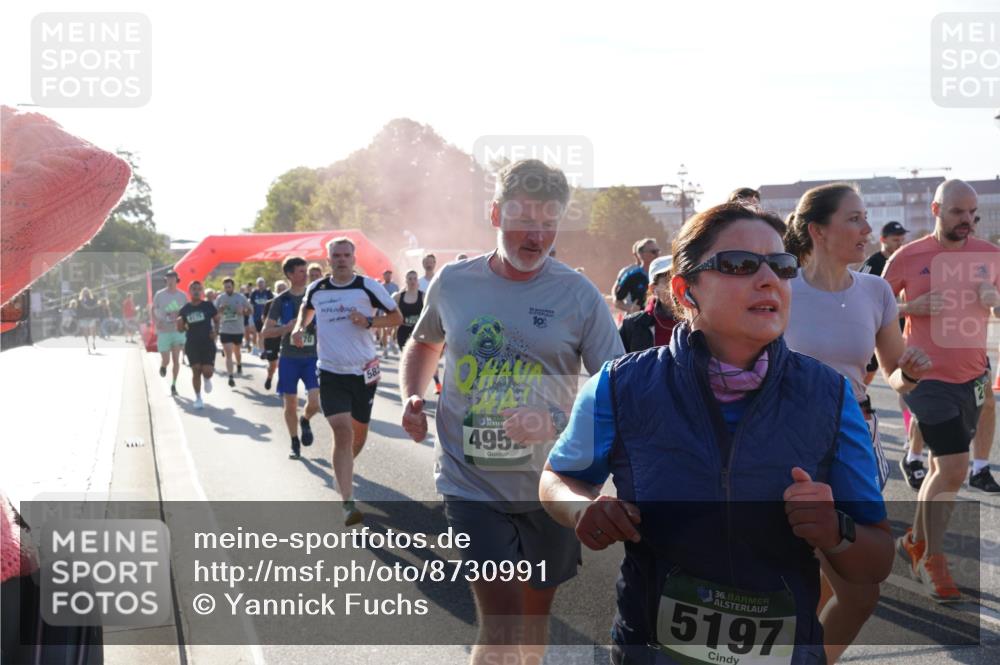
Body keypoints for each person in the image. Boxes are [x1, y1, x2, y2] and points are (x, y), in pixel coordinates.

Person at [541, 203, 893, 665]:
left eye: (782, 266)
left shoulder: (829, 395)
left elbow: (876, 559)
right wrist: (582, 509)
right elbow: (556, 477)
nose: (769, 279)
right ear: (687, 291)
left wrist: (837, 531)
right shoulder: (620, 385)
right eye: (740, 265)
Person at [400, 159, 624, 665]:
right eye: (525, 219)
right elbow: (423, 343)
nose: (538, 235)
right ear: (496, 213)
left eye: (550, 223)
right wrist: (412, 395)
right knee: (500, 625)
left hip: (552, 483)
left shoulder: (579, 295)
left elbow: (614, 386)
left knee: (533, 617)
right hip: (470, 482)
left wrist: (557, 425)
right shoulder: (455, 283)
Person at [782, 184, 931, 662]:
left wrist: (910, 370)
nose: (867, 229)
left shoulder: (876, 290)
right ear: (818, 231)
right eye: (854, 220)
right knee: (796, 574)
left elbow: (892, 376)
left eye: (866, 219)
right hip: (788, 447)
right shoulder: (781, 290)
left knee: (859, 588)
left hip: (852, 443)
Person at [888, 179, 1000, 603]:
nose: (967, 221)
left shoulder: (991, 256)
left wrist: (995, 300)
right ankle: (933, 559)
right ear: (936, 210)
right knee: (953, 467)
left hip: (971, 377)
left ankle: (916, 540)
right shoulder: (909, 256)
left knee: (940, 469)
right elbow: (875, 308)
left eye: (973, 213)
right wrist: (908, 308)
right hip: (925, 377)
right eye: (957, 212)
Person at [292, 238, 402, 524]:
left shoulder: (368, 286)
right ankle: (347, 502)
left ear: (354, 258)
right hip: (330, 371)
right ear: (328, 260)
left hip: (364, 371)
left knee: (358, 433)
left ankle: (344, 469)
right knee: (342, 432)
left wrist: (368, 322)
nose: (341, 259)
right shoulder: (317, 288)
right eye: (336, 256)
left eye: (346, 255)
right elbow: (305, 313)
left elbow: (397, 317)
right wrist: (298, 329)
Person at [263, 257, 321, 459]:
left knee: (315, 401)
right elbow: (265, 332)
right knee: (290, 404)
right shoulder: (281, 300)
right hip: (289, 358)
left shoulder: (315, 297)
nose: (305, 275)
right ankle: (294, 442)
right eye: (300, 272)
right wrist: (286, 328)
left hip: (311, 357)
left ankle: (305, 419)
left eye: (306, 271)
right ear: (289, 275)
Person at [618, 255, 678, 353]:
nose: (676, 286)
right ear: (653, 289)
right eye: (669, 281)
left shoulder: (701, 322)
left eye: (682, 279)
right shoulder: (633, 325)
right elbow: (616, 363)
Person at [176, 281, 219, 409]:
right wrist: (180, 325)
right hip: (192, 343)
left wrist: (215, 331)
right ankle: (198, 398)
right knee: (196, 370)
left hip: (207, 343)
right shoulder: (184, 309)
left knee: (207, 371)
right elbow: (181, 329)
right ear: (190, 291)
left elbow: (217, 319)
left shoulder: (208, 306)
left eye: (199, 289)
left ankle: (207, 379)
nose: (196, 291)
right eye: (194, 289)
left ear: (202, 291)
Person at [153, 271, 188, 395]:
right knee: (167, 360)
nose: (171, 280)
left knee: (176, 360)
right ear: (166, 280)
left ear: (177, 280)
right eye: (168, 278)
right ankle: (163, 366)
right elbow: (153, 310)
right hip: (164, 331)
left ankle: (173, 385)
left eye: (173, 278)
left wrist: (183, 320)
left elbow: (186, 312)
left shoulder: (182, 295)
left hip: (177, 331)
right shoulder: (159, 294)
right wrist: (157, 321)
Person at [215, 277, 252, 387]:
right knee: (228, 354)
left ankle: (239, 364)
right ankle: (230, 376)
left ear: (233, 287)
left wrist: (243, 311)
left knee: (237, 352)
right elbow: (214, 314)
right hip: (225, 330)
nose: (227, 289)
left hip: (238, 330)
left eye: (229, 287)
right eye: (225, 287)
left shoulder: (241, 297)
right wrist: (221, 309)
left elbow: (251, 310)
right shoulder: (220, 298)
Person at [613, 238, 660, 315]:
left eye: (658, 251)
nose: (657, 255)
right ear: (641, 254)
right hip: (639, 322)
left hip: (661, 322)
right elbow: (617, 301)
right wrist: (630, 308)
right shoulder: (632, 276)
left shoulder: (664, 274)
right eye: (653, 252)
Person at [260, 279, 287, 391]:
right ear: (276, 291)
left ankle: (282, 382)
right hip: (271, 336)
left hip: (285, 335)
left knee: (284, 361)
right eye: (279, 289)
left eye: (283, 289)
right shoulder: (270, 303)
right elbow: (264, 320)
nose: (281, 291)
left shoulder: (290, 302)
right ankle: (270, 377)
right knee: (272, 364)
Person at [393, 270, 423, 351]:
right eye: (410, 279)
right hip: (403, 332)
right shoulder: (398, 297)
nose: (412, 281)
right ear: (406, 281)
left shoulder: (423, 296)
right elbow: (391, 314)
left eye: (415, 279)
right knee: (405, 358)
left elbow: (429, 315)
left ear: (417, 280)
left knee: (418, 359)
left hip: (419, 333)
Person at [250, 277, 274, 356]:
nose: (260, 284)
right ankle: (261, 350)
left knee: (267, 333)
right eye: (259, 283)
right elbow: (251, 304)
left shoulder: (268, 292)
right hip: (257, 316)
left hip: (267, 317)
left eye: (262, 283)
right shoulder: (254, 293)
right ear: (257, 284)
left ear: (264, 284)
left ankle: (267, 349)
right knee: (259, 334)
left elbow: (272, 303)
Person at [378, 269, 400, 357]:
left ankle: (392, 341)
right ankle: (385, 349)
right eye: (386, 275)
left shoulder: (395, 286)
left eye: (390, 275)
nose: (388, 276)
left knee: (395, 328)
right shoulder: (380, 286)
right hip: (383, 310)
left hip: (393, 310)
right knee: (384, 330)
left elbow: (398, 297)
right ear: (383, 276)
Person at [77, 287, 100, 353]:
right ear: (82, 292)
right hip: (83, 318)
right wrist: (78, 318)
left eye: (86, 291)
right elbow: (78, 310)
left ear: (88, 292)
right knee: (85, 333)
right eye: (84, 291)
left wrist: (96, 316)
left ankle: (93, 342)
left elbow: (95, 308)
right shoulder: (79, 300)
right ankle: (88, 346)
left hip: (91, 317)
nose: (85, 292)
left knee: (92, 331)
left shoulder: (92, 299)